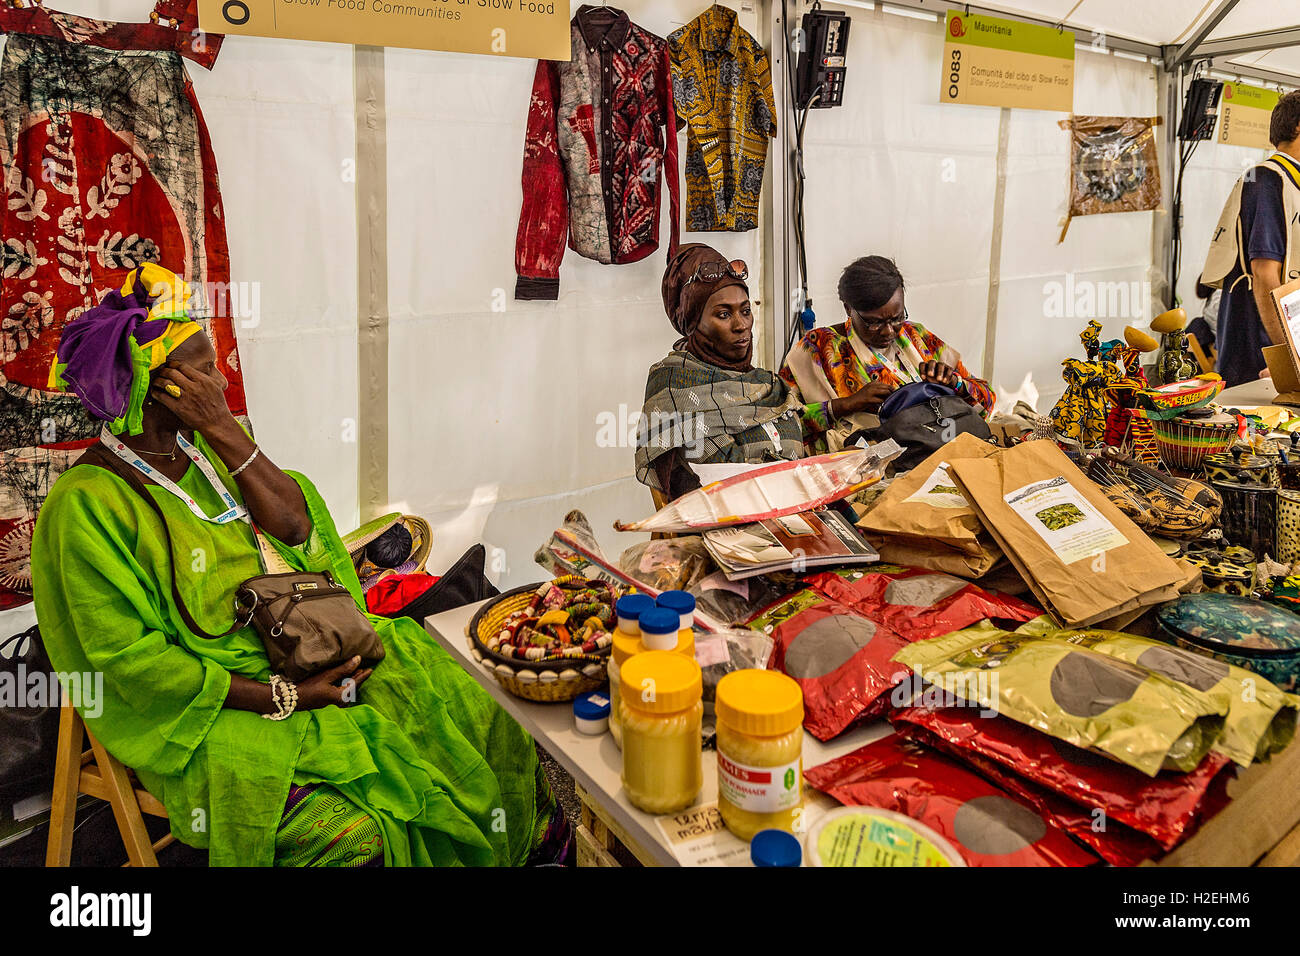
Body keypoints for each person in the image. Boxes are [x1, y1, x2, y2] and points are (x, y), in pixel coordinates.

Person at [32, 264, 571, 867]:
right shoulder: (83, 507)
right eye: (204, 371)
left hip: (302, 645)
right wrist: (284, 696)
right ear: (154, 388)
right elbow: (131, 664)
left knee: (478, 706)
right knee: (359, 832)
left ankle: (533, 854)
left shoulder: (209, 450)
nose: (219, 382)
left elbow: (297, 529)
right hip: (208, 707)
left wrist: (223, 431)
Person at [635, 243, 804, 500]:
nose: (741, 325)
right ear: (694, 321)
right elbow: (717, 478)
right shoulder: (675, 388)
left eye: (746, 311)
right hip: (721, 526)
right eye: (723, 314)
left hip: (790, 509)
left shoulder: (765, 383)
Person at [780, 256, 996, 454]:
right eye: (874, 322)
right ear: (848, 309)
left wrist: (954, 384)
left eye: (897, 318)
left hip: (934, 456)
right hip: (863, 474)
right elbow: (778, 425)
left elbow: (986, 404)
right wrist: (846, 404)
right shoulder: (818, 348)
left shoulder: (916, 337)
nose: (889, 331)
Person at [1201, 91, 1300, 387]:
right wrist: (1289, 358)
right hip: (1259, 354)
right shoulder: (1267, 179)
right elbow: (1264, 274)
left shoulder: (1288, 181)